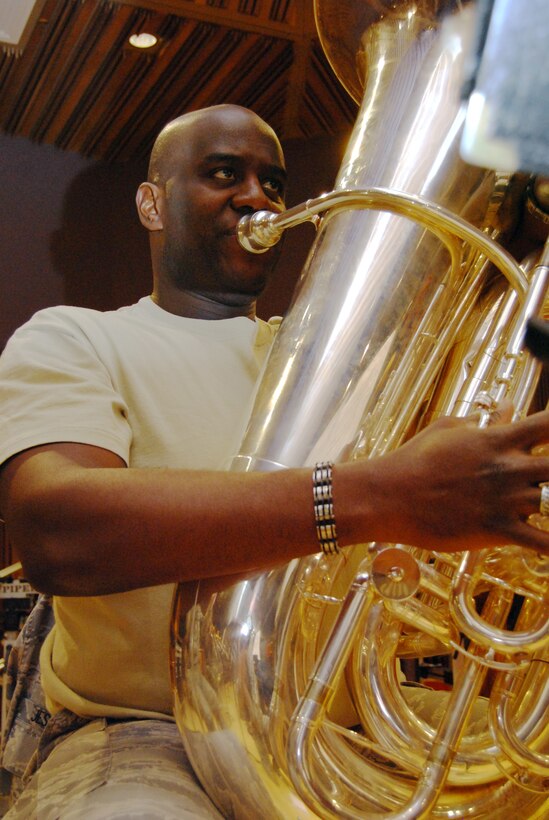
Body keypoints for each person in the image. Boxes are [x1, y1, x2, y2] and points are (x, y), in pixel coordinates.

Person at [0, 103, 548, 818]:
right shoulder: (77, 337)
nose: (257, 197)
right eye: (223, 173)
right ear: (151, 202)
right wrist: (370, 497)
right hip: (147, 733)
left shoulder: (351, 366)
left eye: (274, 183)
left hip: (350, 728)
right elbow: (56, 529)